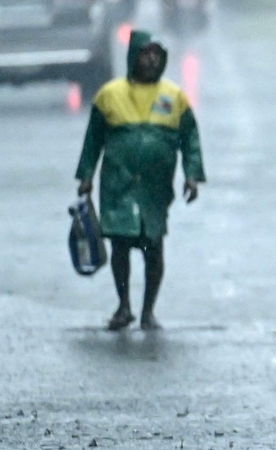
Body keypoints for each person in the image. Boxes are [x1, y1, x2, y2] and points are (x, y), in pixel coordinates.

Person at [74, 30, 204, 331]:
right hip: (118, 187)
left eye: (157, 54)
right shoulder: (110, 95)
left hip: (154, 190)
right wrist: (86, 176)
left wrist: (192, 175)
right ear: (134, 56)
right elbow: (93, 140)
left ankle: (148, 311)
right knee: (120, 246)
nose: (152, 59)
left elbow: (190, 139)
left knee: (154, 247)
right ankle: (124, 306)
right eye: (146, 53)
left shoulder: (174, 97)